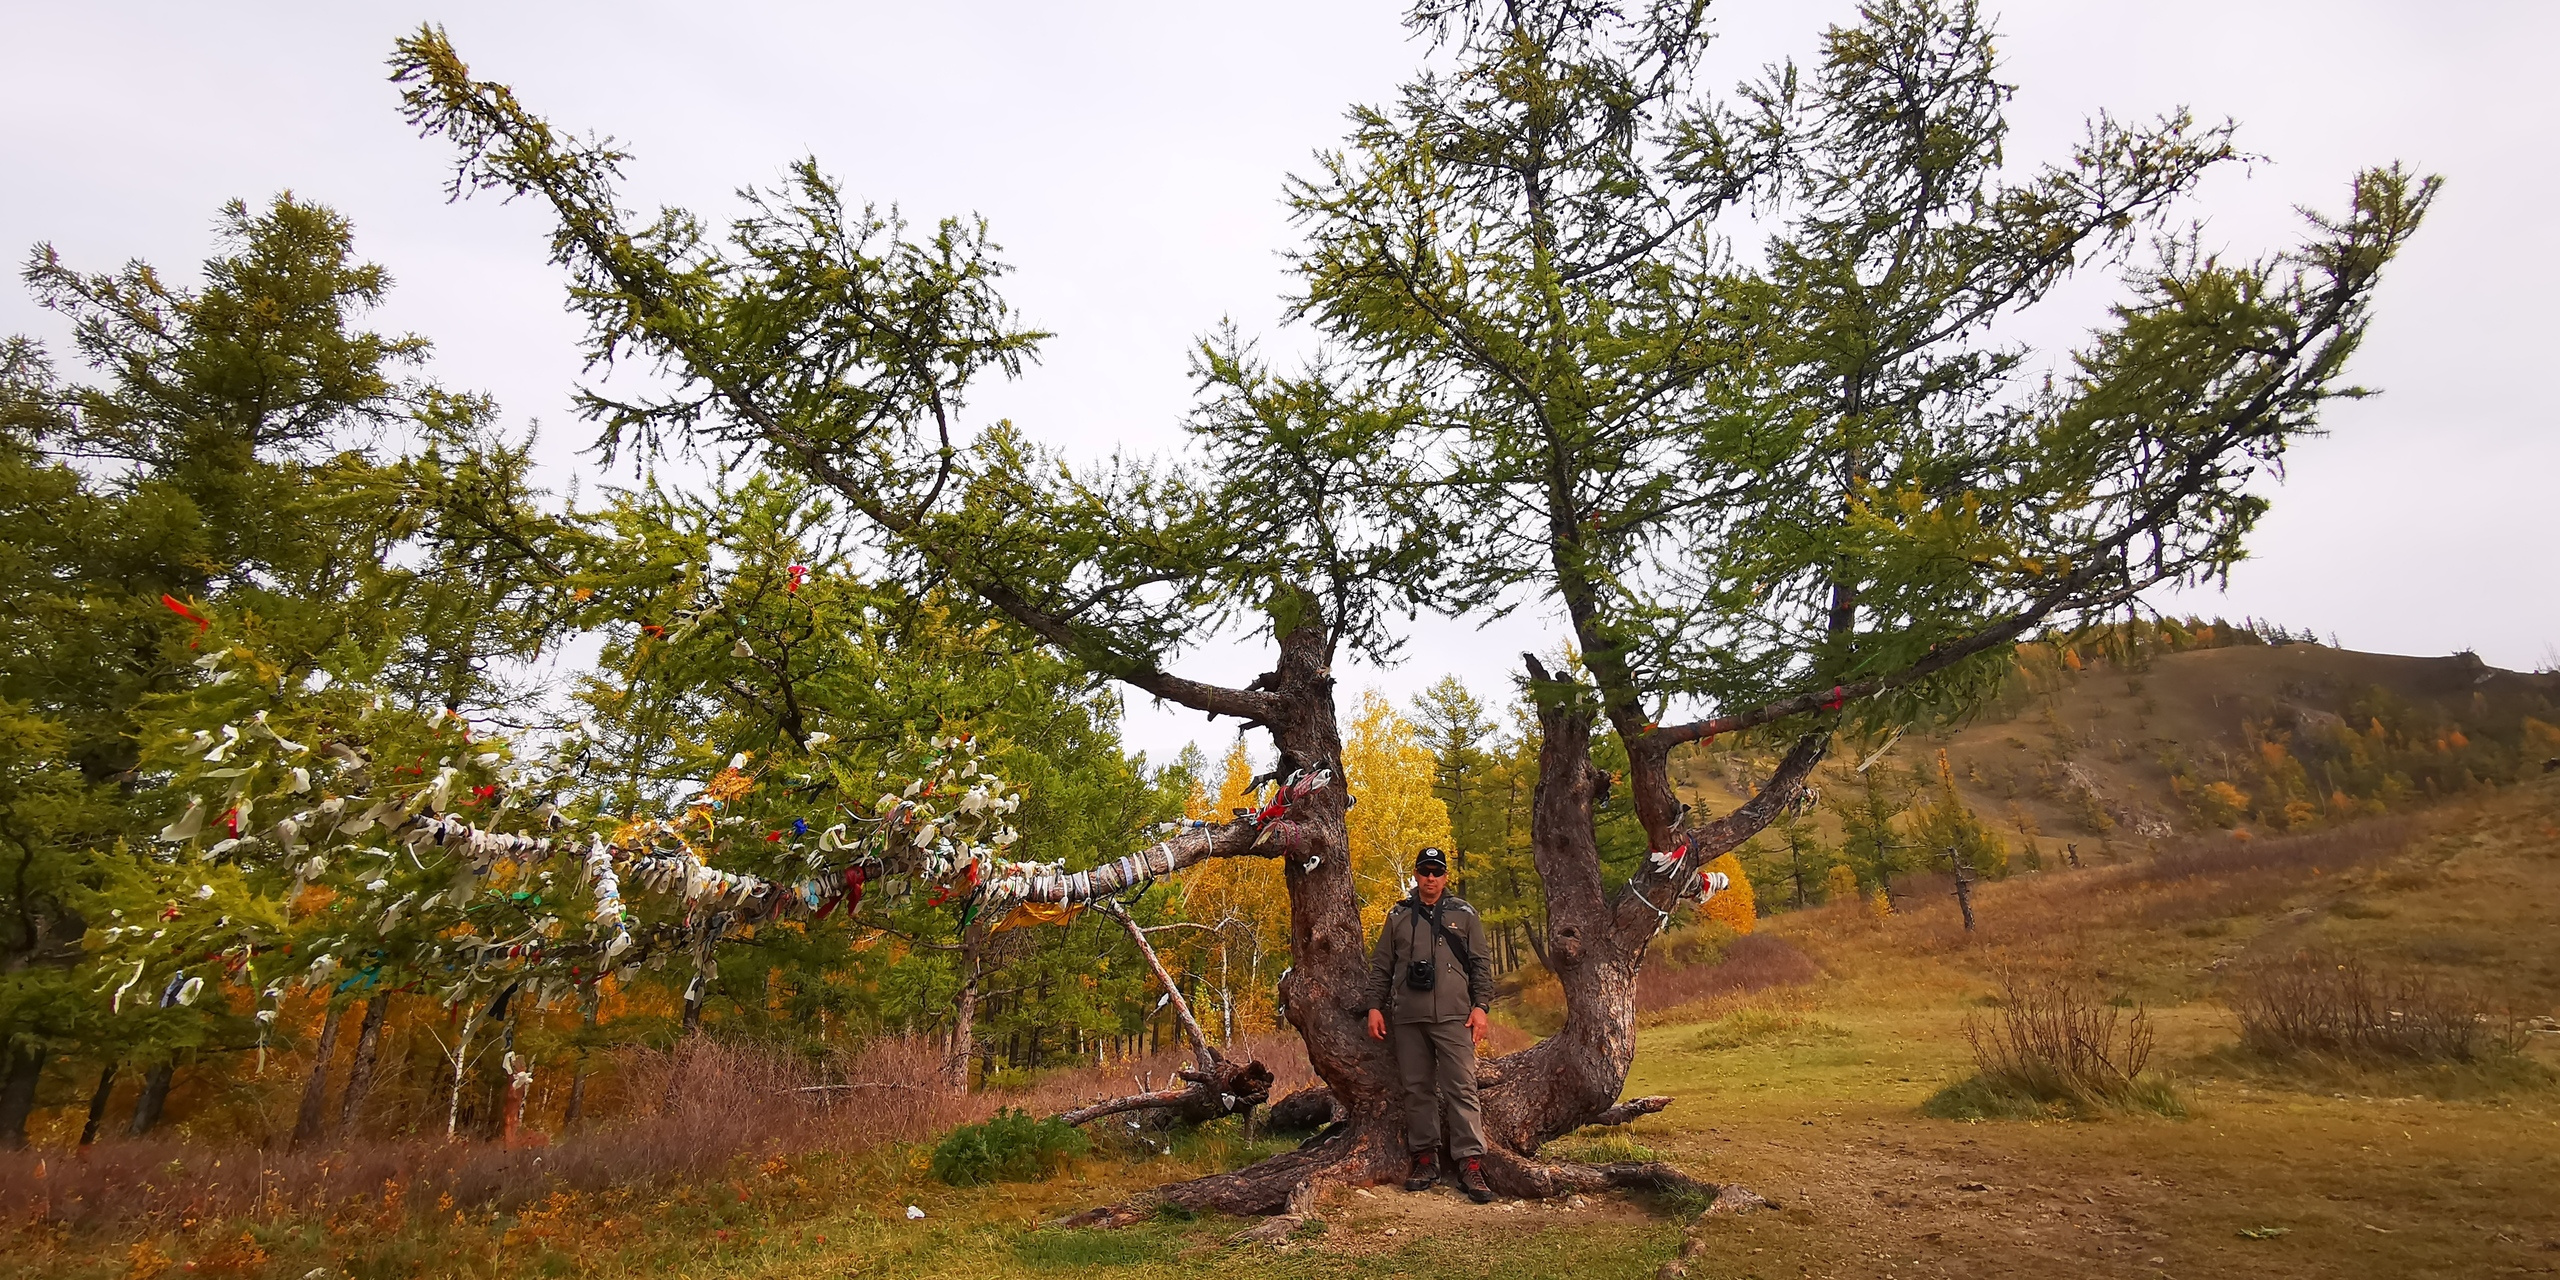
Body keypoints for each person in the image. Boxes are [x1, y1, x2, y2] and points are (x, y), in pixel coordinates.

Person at [1366, 845, 1496, 1203]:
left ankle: (1470, 1164)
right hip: (1408, 1016)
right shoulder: (1398, 915)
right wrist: (1374, 1007)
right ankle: (1425, 1159)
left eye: (1437, 872)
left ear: (1445, 876)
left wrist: (1481, 1006)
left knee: (1462, 1089)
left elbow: (1481, 965)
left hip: (1455, 1016)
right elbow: (1381, 966)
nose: (1431, 878)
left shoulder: (1464, 915)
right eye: (1424, 871)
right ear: (1416, 874)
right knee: (1416, 1089)